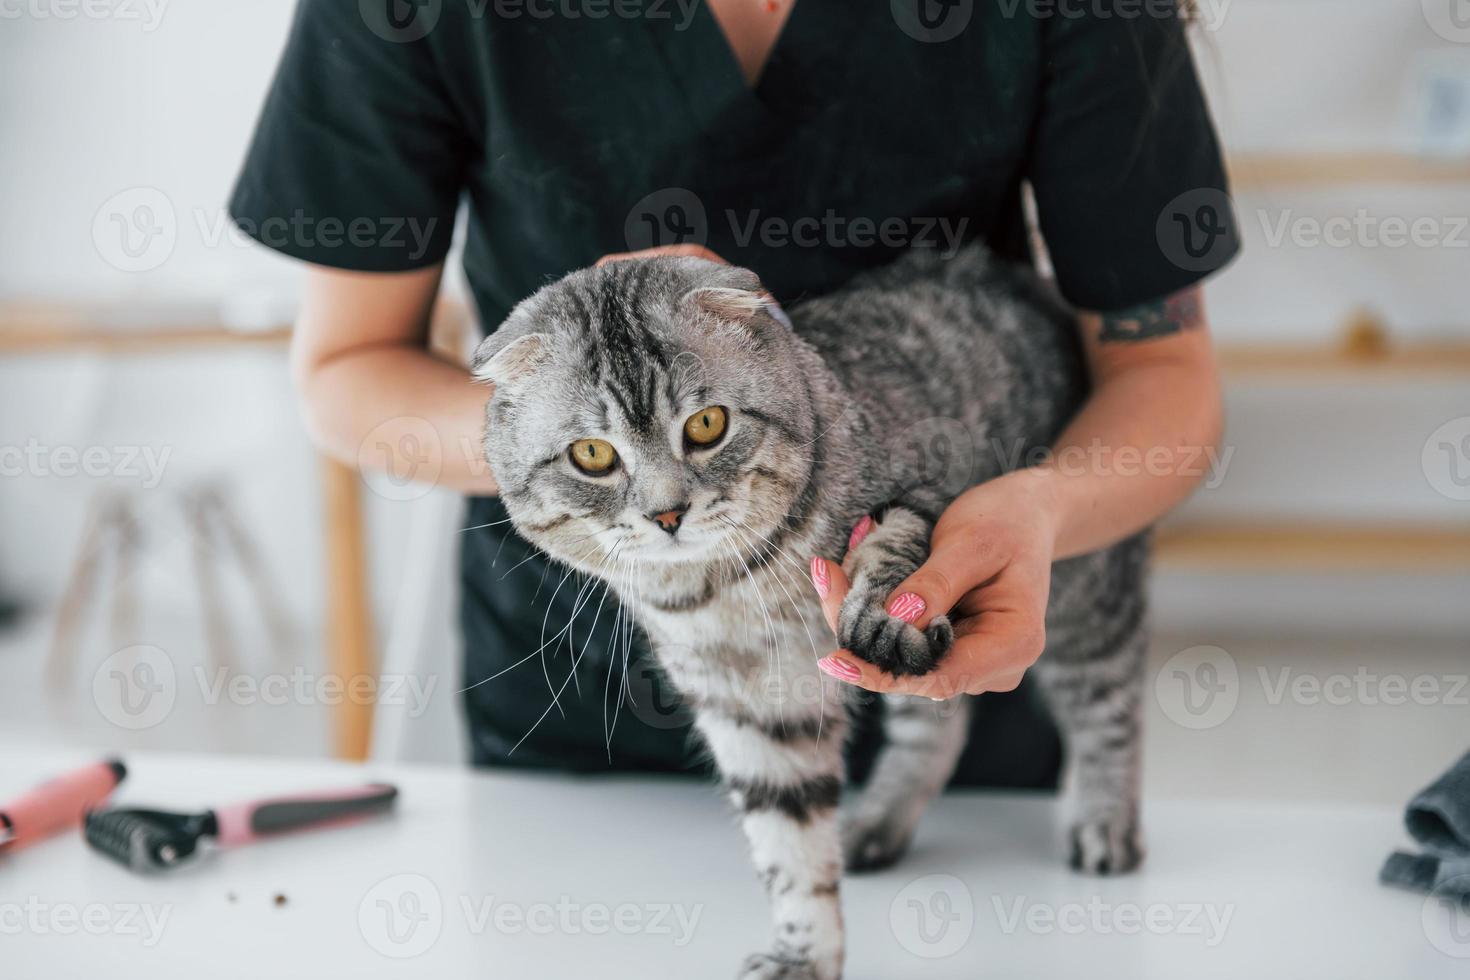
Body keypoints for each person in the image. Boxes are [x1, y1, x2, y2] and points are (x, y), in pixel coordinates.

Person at [230, 0, 1238, 785]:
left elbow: (1159, 370)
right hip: (588, 713)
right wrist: (586, 469)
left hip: (947, 666)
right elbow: (345, 369)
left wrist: (1042, 507)